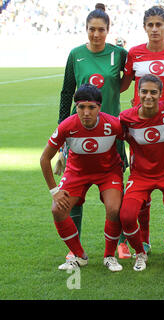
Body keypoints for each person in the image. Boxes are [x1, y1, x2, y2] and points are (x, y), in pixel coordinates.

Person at [56, 3, 128, 261]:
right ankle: (74, 249)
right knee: (74, 190)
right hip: (79, 131)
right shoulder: (75, 54)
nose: (96, 34)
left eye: (101, 30)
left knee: (115, 194)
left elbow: (125, 81)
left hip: (112, 132)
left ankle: (121, 243)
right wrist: (62, 135)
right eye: (91, 29)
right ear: (85, 29)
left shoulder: (119, 54)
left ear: (108, 30)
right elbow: (67, 93)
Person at [120, 5, 164, 259]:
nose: (155, 29)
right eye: (151, 25)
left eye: (159, 25)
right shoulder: (135, 53)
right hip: (141, 125)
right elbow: (126, 84)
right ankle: (144, 242)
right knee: (142, 177)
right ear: (145, 27)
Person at [40, 84, 124, 272]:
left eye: (91, 107)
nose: (86, 112)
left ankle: (109, 256)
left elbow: (134, 140)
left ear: (99, 108)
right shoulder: (67, 126)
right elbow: (44, 158)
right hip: (76, 172)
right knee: (57, 210)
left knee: (114, 208)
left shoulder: (113, 124)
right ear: (76, 107)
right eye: (81, 107)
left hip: (108, 172)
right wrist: (54, 191)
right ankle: (79, 256)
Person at [119, 74, 164, 272]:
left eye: (153, 92)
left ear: (160, 94)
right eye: (144, 92)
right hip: (141, 175)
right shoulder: (126, 118)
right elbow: (107, 133)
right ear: (138, 94)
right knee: (127, 215)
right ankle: (140, 253)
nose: (148, 96)